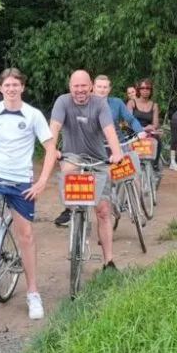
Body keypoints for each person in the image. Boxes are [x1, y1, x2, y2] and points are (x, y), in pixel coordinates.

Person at [0, 69, 57, 320]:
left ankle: (33, 293)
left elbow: (50, 149)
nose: (11, 88)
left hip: (20, 181)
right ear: (1, 88)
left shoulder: (33, 114)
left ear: (22, 88)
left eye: (16, 84)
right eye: (7, 84)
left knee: (25, 235)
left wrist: (41, 182)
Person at [47, 70, 124, 270]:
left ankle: (109, 260)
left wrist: (116, 152)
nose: (80, 90)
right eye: (76, 86)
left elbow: (109, 130)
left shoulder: (100, 103)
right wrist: (52, 148)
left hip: (98, 159)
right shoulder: (62, 102)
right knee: (68, 168)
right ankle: (72, 209)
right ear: (70, 87)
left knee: (103, 210)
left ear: (90, 86)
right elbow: (54, 128)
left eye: (83, 86)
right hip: (72, 154)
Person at [128, 79, 161, 171]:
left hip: (149, 132)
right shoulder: (132, 103)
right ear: (138, 89)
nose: (145, 90)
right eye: (142, 88)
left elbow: (155, 123)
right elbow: (128, 121)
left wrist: (151, 128)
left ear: (151, 91)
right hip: (133, 131)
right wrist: (142, 128)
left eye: (148, 88)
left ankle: (155, 164)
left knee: (158, 140)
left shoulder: (154, 105)